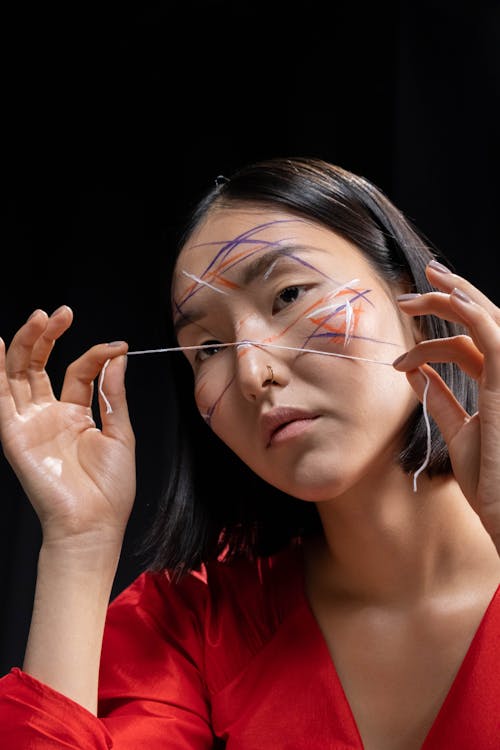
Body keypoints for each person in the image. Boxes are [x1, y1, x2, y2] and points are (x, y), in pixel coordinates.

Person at [0, 156, 499, 750]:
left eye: (288, 294)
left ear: (416, 304)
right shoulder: (196, 621)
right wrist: (76, 543)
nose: (253, 372)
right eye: (207, 347)